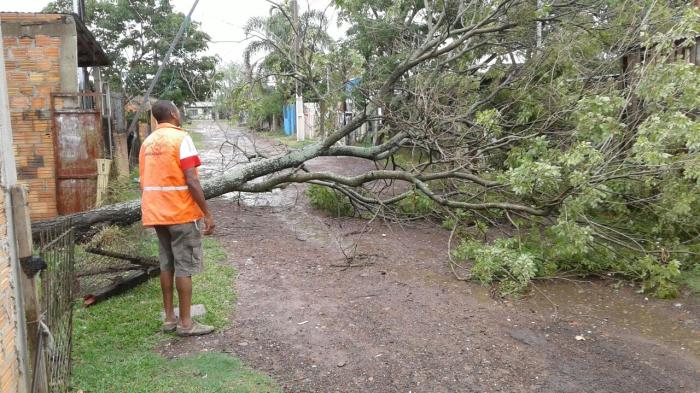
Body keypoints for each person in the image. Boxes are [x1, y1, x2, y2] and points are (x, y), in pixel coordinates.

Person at [139, 100, 216, 336]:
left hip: (156, 213)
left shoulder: (147, 143)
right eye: (178, 110)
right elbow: (192, 179)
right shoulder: (181, 139)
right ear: (173, 113)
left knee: (167, 264)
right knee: (184, 266)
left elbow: (144, 179)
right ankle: (186, 323)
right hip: (180, 213)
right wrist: (207, 213)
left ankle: (170, 319)